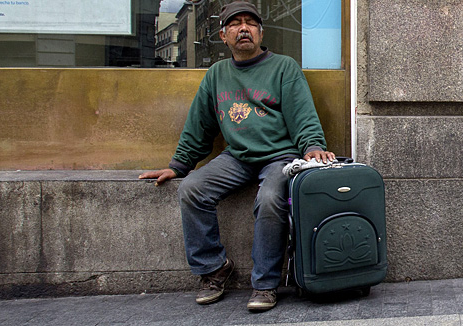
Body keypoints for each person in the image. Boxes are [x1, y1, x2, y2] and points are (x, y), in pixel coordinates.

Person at [139, 0, 335, 311]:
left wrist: (312, 147)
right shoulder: (217, 74)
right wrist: (178, 166)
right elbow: (199, 126)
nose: (243, 28)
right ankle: (214, 268)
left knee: (271, 198)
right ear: (223, 35)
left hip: (280, 157)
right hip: (238, 157)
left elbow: (304, 117)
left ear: (260, 32)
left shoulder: (284, 67)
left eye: (250, 23)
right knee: (192, 189)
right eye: (234, 24)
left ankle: (265, 283)